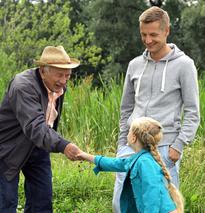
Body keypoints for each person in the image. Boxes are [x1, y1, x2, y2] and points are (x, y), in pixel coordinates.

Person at [113, 6, 200, 212]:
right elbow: (126, 108)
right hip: (131, 147)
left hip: (164, 148)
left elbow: (193, 111)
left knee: (162, 207)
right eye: (144, 34)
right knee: (122, 204)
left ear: (167, 31)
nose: (148, 40)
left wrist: (178, 146)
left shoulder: (184, 65)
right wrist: (121, 145)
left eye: (153, 34)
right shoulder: (135, 65)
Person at [0, 45, 82, 212]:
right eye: (59, 74)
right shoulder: (22, 86)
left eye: (68, 75)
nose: (64, 81)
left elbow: (48, 121)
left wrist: (51, 142)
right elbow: (35, 126)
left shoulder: (58, 86)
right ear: (43, 71)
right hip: (7, 148)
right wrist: (63, 145)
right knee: (6, 204)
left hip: (37, 146)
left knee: (42, 201)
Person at [77, 117, 184, 213]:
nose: (127, 133)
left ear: (133, 138)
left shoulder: (145, 162)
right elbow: (115, 163)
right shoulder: (138, 159)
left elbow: (152, 193)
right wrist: (85, 156)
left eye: (129, 131)